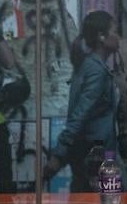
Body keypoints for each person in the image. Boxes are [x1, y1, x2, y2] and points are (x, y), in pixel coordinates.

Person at [44, 11, 121, 191]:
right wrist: (59, 154)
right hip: (97, 156)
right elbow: (81, 113)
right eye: (115, 31)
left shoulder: (90, 66)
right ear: (102, 36)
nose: (119, 37)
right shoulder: (96, 71)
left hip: (94, 154)